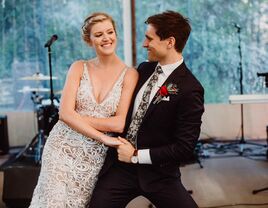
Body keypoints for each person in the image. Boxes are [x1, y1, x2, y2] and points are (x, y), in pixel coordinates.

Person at [89, 10, 204, 208]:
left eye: (149, 38)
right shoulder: (143, 69)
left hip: (160, 174)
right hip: (120, 169)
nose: (144, 44)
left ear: (170, 42)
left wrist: (135, 155)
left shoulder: (190, 89)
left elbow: (184, 148)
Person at [29, 12, 138, 207]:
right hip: (61, 148)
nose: (106, 38)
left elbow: (118, 123)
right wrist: (104, 137)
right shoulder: (78, 67)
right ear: (89, 41)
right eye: (98, 35)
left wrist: (75, 116)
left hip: (91, 157)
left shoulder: (130, 74)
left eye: (110, 32)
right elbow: (64, 114)